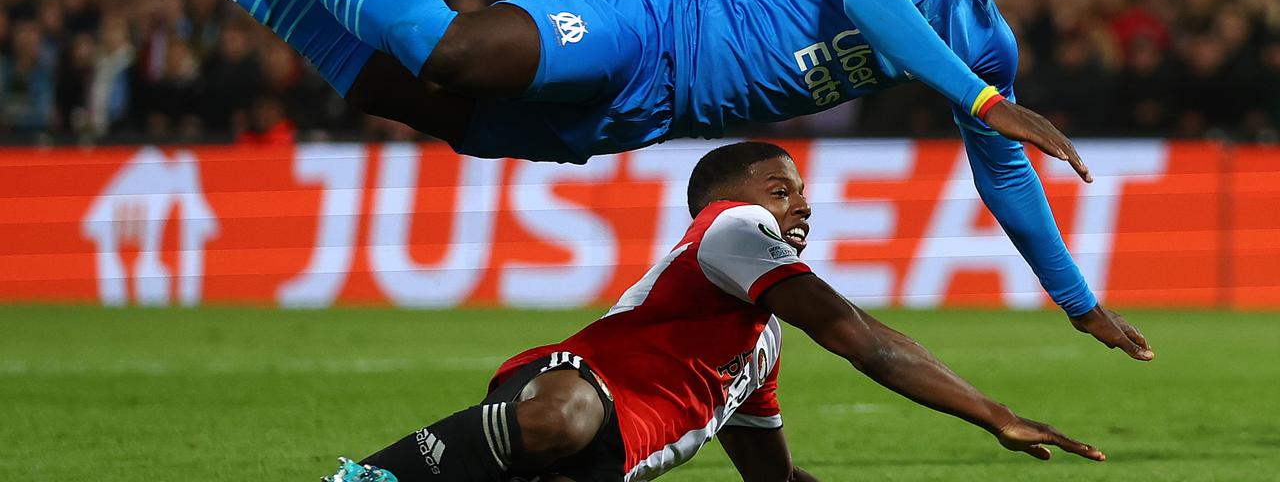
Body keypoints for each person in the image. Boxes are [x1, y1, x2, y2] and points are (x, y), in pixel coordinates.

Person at [39, 0, 1153, 359]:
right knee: (449, 50)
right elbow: (870, 7)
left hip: (642, 111)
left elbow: (1001, 171)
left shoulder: (983, 35)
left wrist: (1077, 300)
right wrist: (984, 99)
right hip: (643, 23)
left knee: (392, 94)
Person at [321, 141, 1108, 482]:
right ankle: (374, 474)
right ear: (726, 204)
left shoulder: (757, 350)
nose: (801, 205)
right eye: (781, 189)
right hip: (563, 386)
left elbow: (772, 473)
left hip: (600, 463)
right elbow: (861, 339)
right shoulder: (730, 233)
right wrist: (992, 413)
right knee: (565, 420)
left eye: (801, 192)